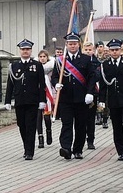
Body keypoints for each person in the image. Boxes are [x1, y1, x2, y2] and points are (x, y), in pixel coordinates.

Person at [51, 31, 98, 160]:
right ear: (66, 45)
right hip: (65, 98)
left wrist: (90, 93)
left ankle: (78, 150)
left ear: (79, 45)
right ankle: (66, 148)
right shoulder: (60, 61)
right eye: (70, 44)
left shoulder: (86, 59)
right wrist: (56, 84)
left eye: (75, 44)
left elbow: (92, 77)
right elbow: (54, 76)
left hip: (81, 98)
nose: (72, 46)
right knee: (66, 124)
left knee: (80, 125)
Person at [4, 39, 47, 160]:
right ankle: (26, 147)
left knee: (31, 125)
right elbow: (10, 84)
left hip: (32, 101)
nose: (25, 51)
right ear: (20, 51)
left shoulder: (37, 65)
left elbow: (41, 84)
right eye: (23, 49)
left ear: (31, 51)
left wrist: (42, 100)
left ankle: (30, 151)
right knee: (21, 125)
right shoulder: (14, 66)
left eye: (27, 49)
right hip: (20, 100)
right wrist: (7, 101)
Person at [36, 49, 56, 148]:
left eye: (44, 56)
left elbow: (54, 81)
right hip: (38, 95)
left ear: (47, 57)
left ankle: (48, 131)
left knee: (47, 117)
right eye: (41, 57)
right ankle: (40, 137)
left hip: (48, 94)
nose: (42, 58)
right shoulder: (35, 67)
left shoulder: (52, 68)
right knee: (38, 117)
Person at [82, 42, 99, 150]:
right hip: (81, 93)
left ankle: (90, 140)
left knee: (90, 119)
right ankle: (81, 138)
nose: (88, 52)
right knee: (81, 118)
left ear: (93, 50)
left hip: (92, 93)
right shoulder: (80, 61)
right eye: (86, 50)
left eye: (90, 50)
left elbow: (97, 77)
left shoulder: (97, 63)